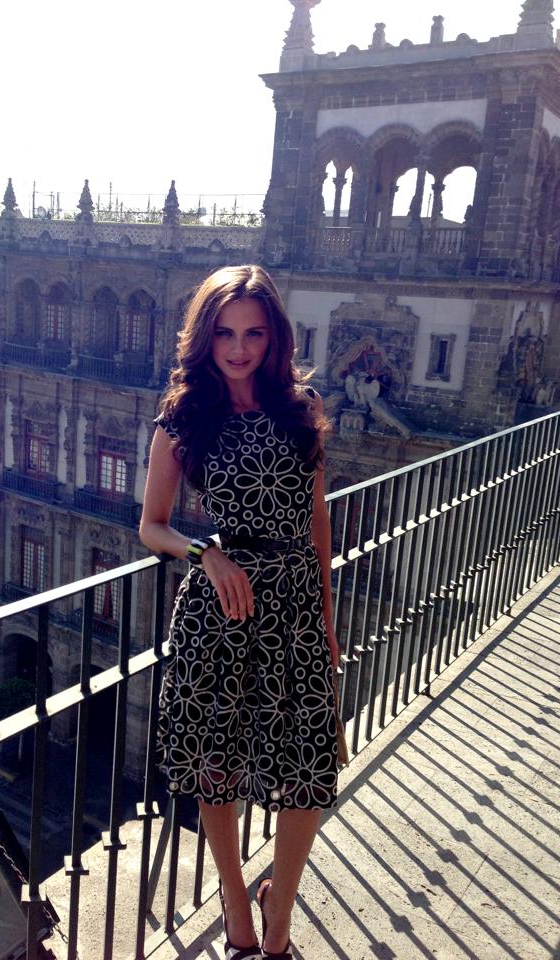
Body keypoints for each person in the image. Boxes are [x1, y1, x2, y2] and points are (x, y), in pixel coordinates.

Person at [139, 264, 340, 960]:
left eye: (253, 333)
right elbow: (152, 526)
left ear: (274, 335)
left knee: (307, 768)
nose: (238, 348)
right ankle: (237, 905)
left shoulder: (300, 406)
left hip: (295, 610)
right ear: (205, 335)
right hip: (220, 612)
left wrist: (328, 626)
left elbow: (316, 518)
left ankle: (278, 914)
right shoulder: (185, 416)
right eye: (224, 333)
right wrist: (207, 555)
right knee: (215, 765)